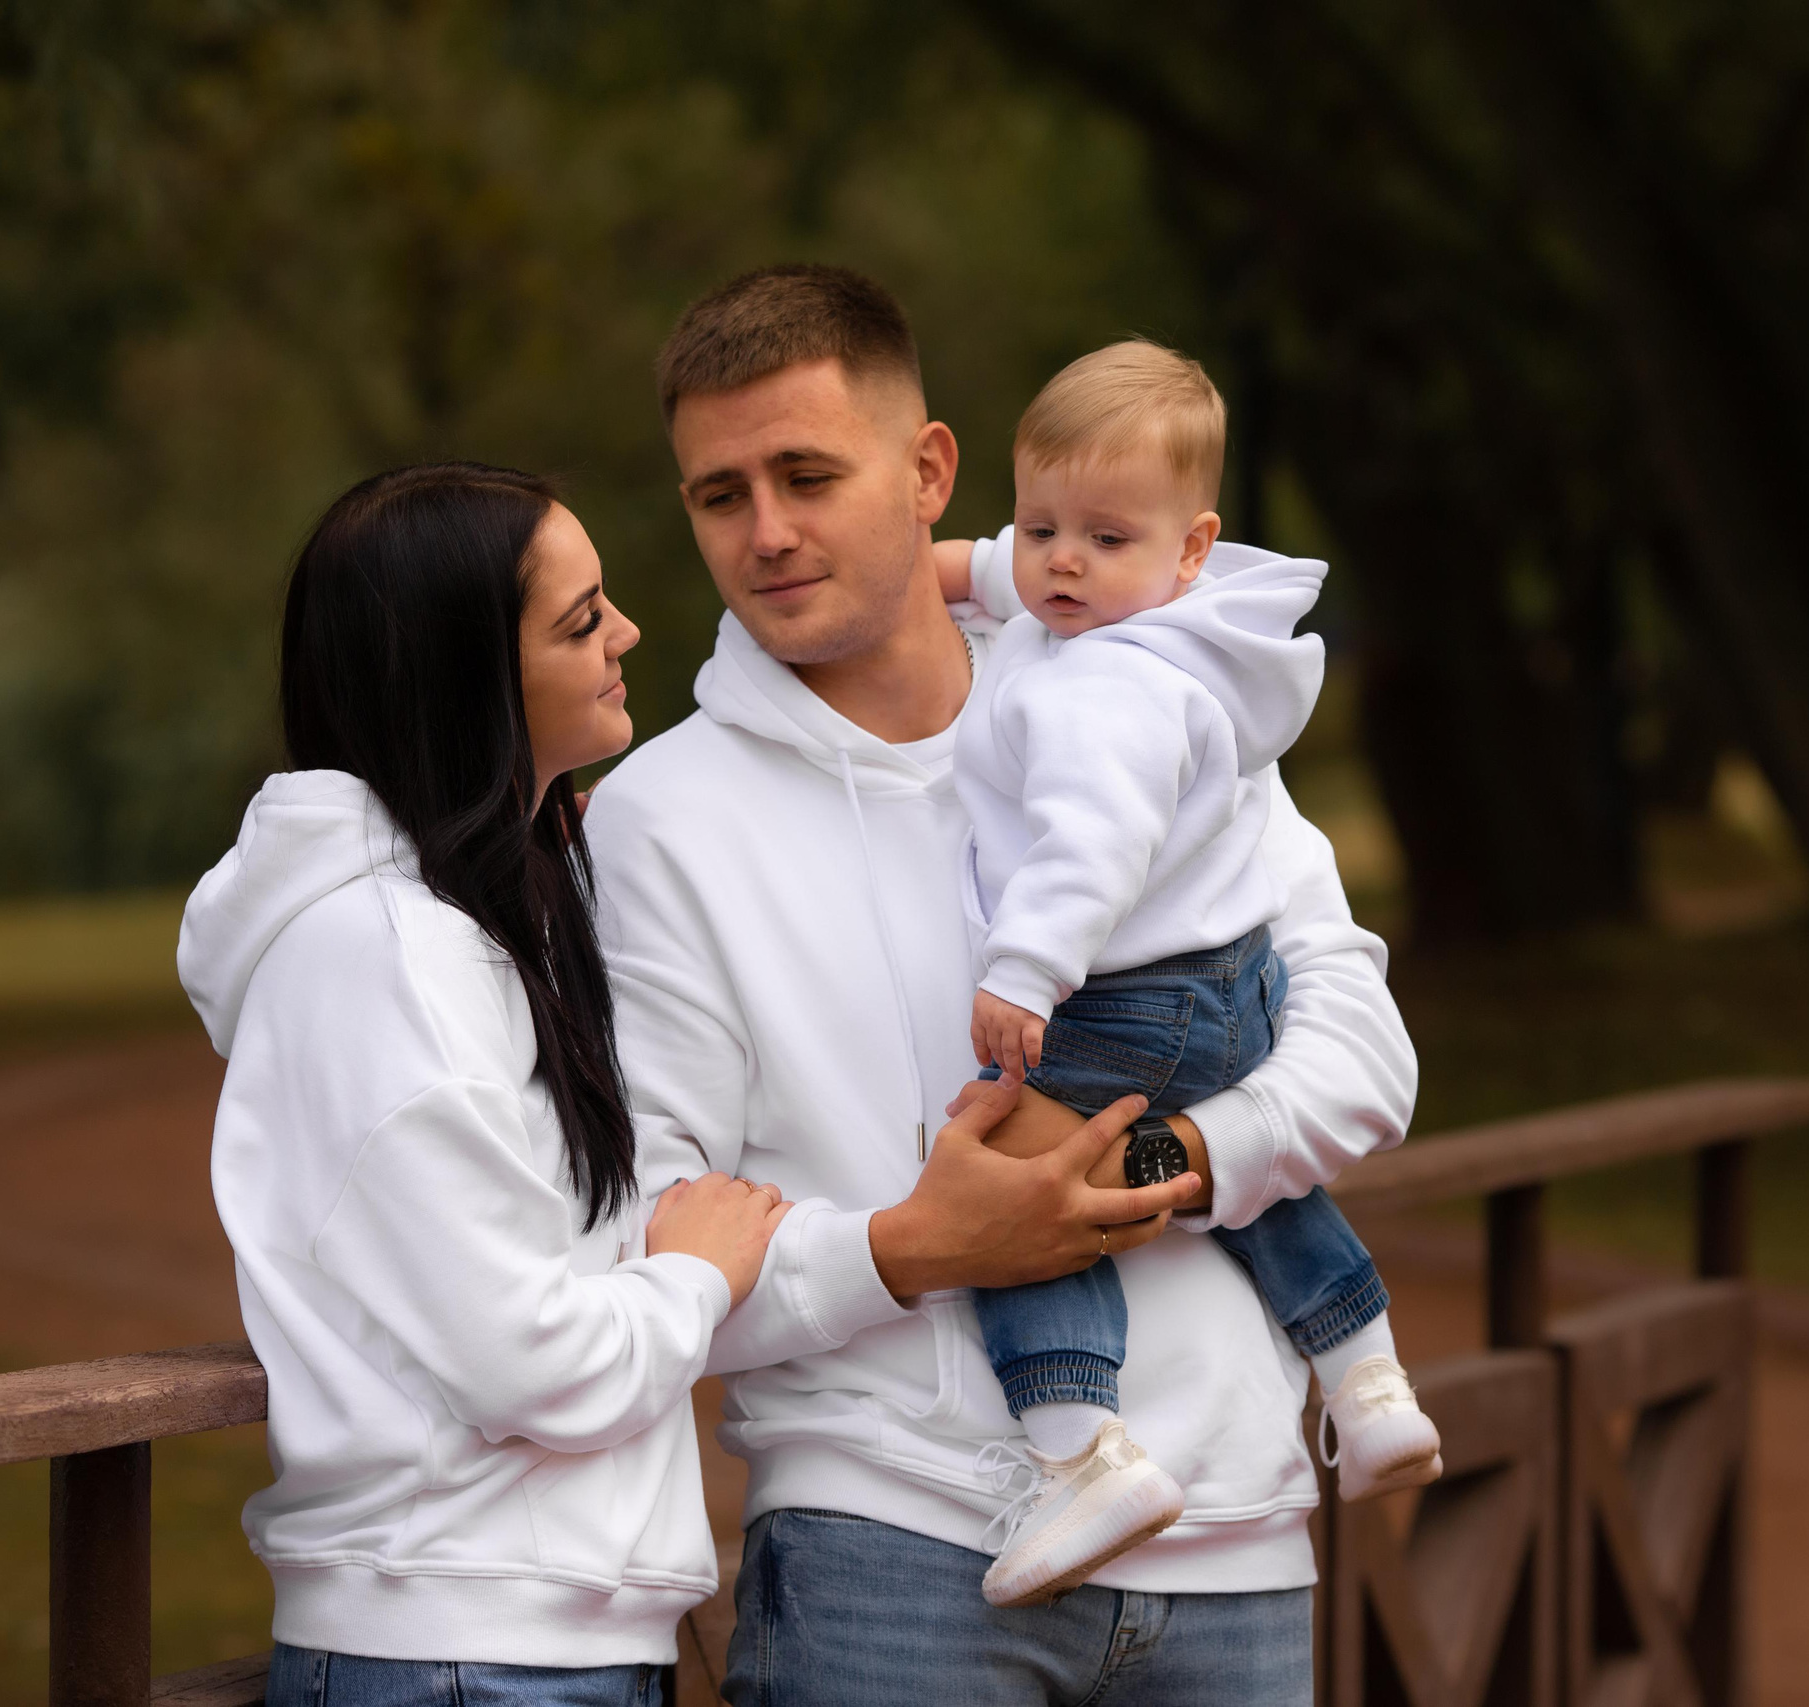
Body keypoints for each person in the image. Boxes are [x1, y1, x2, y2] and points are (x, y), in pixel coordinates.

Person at [587, 266, 1416, 1705]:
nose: (767, 532)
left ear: (927, 471)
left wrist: (1144, 1165)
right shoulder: (658, 820)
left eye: (806, 473)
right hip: (887, 1554)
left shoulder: (1161, 688)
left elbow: (1363, 1059)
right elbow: (653, 1246)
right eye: (721, 495)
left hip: (1233, 1544)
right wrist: (916, 1243)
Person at [180, 462, 791, 1707]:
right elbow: (528, 1358)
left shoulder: (477, 922)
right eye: (579, 622)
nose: (624, 633)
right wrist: (692, 1275)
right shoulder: (384, 963)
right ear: (465, 682)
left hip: (519, 1639)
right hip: (467, 1651)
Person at [936, 339, 1442, 1610]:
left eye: (1100, 540)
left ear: (1191, 545)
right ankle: (1368, 1381)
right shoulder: (1176, 623)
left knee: (1010, 1202)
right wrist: (937, 566)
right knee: (1266, 1190)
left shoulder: (1104, 687)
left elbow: (1090, 850)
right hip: (1235, 999)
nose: (1058, 561)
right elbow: (1002, 567)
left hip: (1123, 1001)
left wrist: (1025, 970)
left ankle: (1083, 1454)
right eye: (1038, 523)